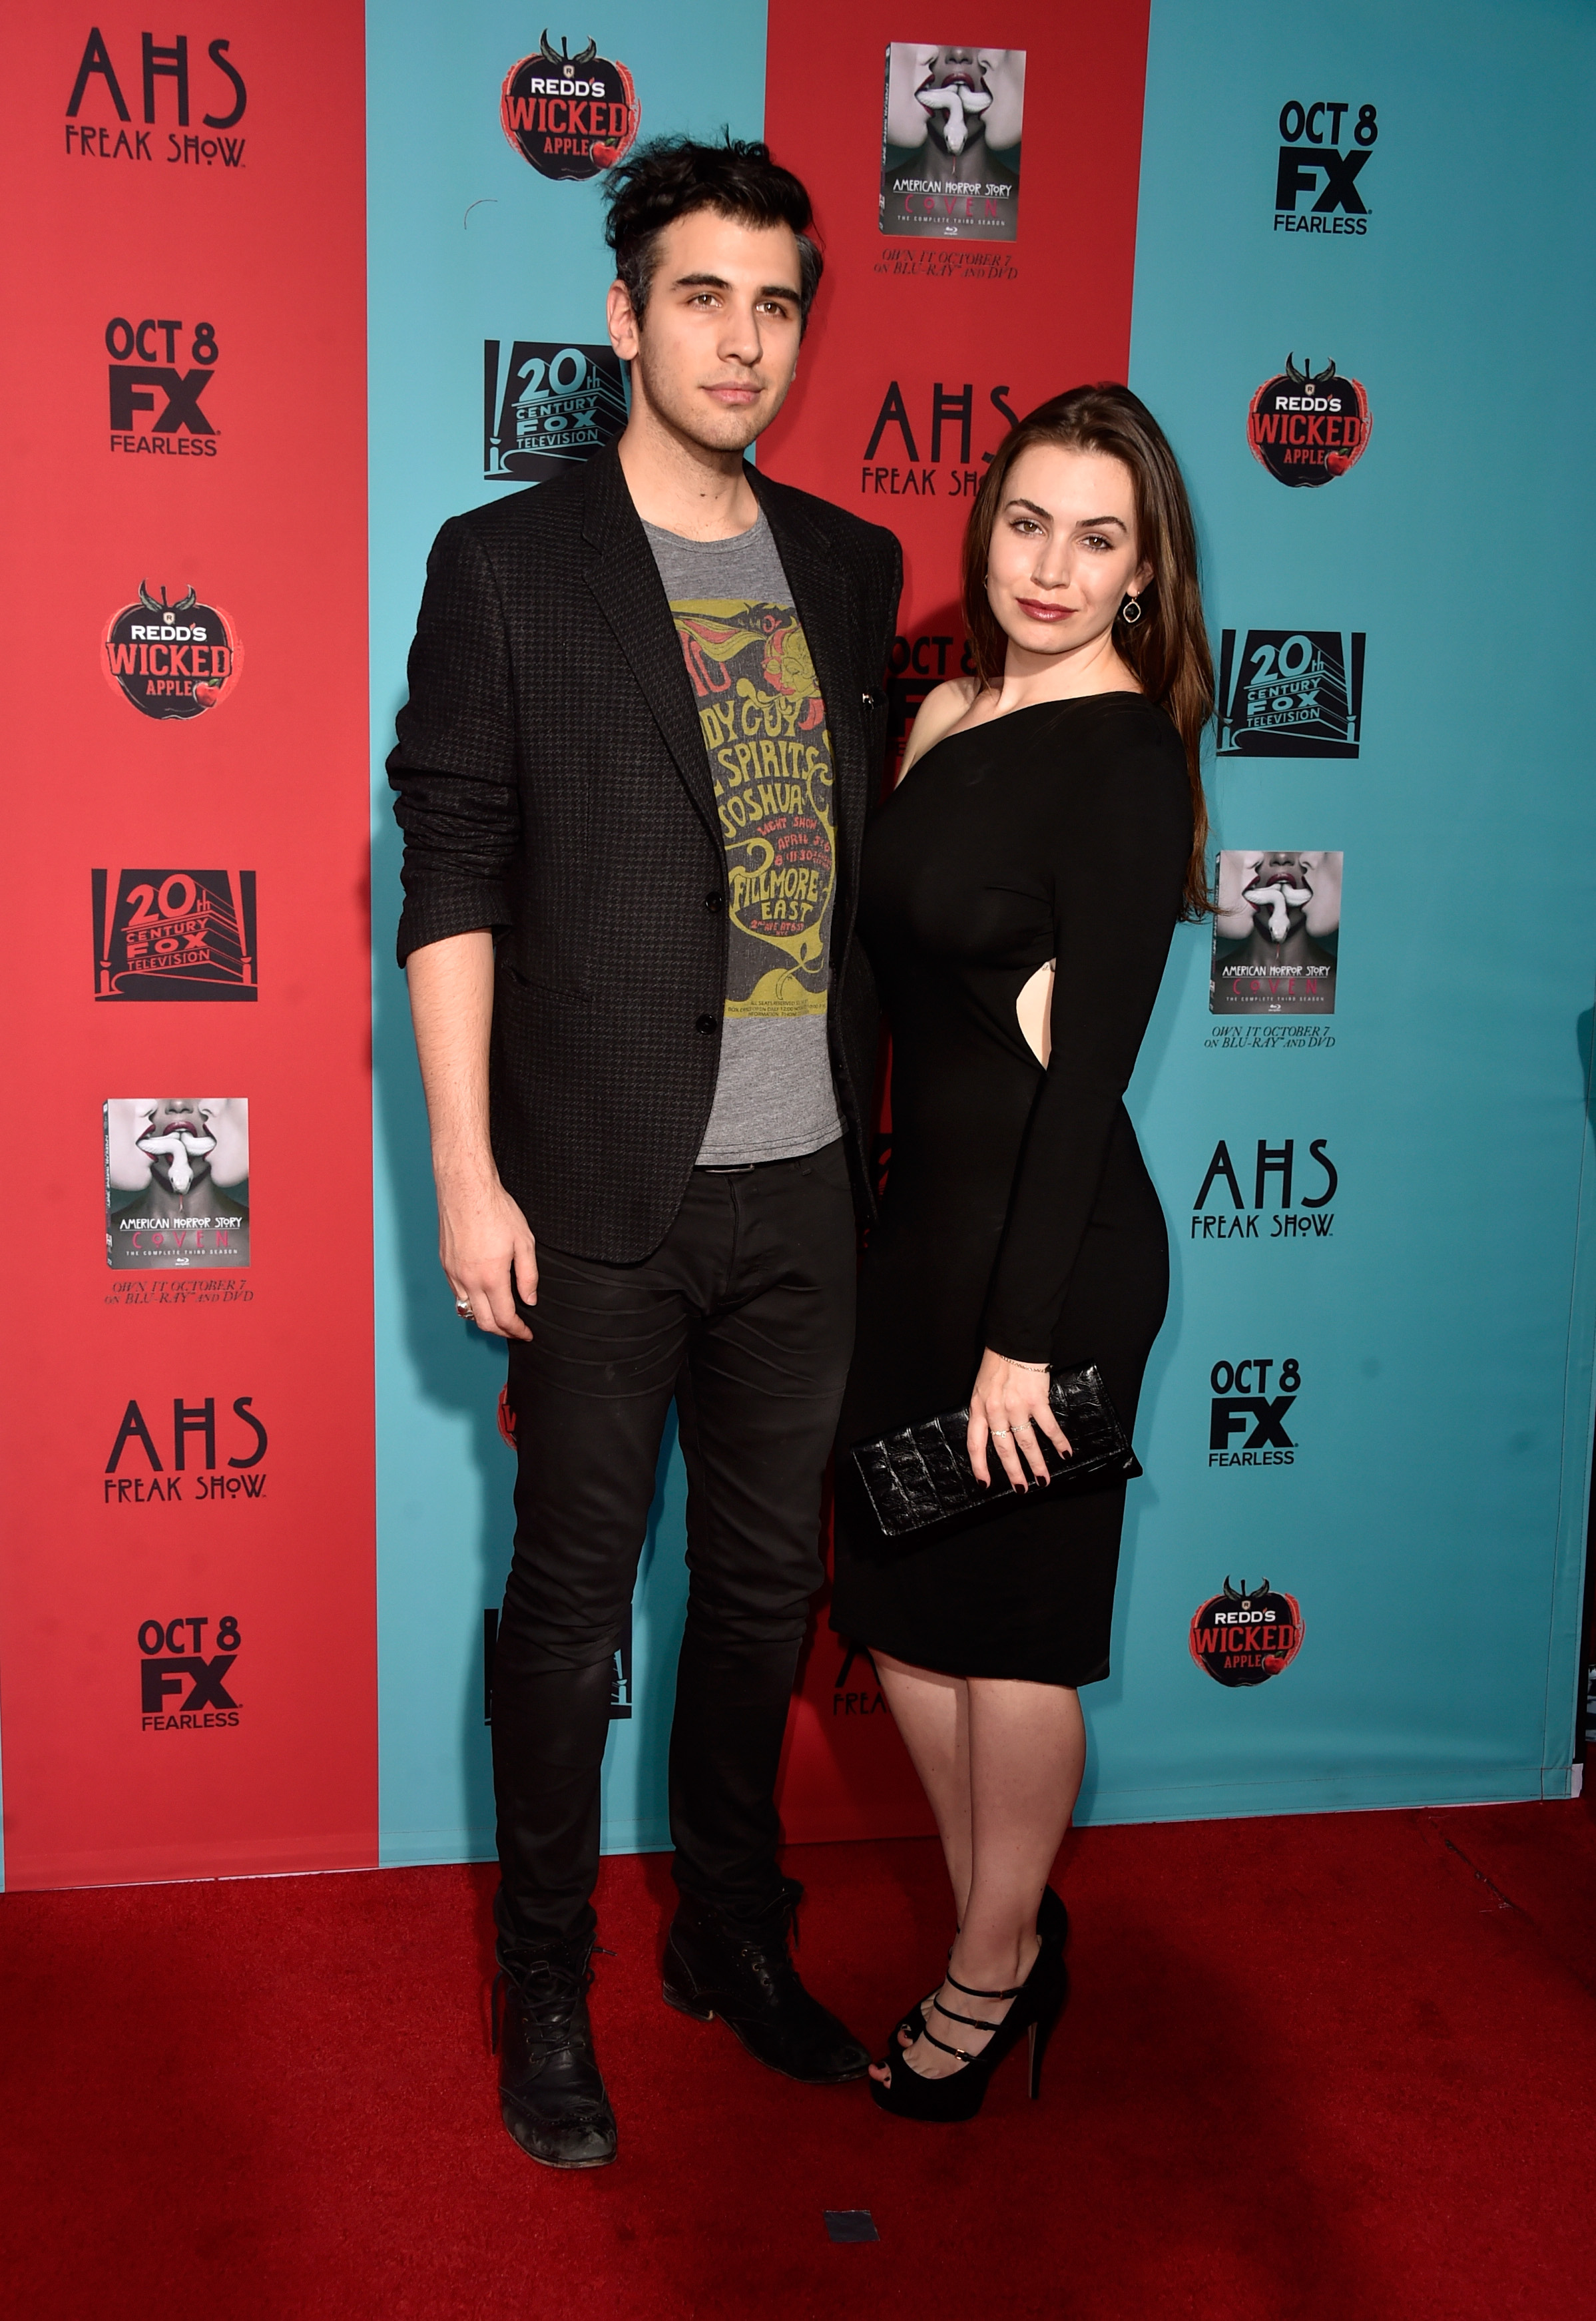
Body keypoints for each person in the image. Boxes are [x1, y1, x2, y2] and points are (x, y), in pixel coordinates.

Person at [388, 137, 902, 2170]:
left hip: (806, 1187)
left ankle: (728, 1929)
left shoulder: (850, 567)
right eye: (702, 298)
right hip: (599, 1194)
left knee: (766, 1595)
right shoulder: (505, 566)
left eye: (775, 306)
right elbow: (451, 876)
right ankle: (544, 1978)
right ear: (624, 318)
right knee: (571, 1603)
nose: (742, 342)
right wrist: (465, 1172)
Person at [830, 385, 1212, 2121]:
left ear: (1145, 573)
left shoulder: (1129, 759)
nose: (1053, 567)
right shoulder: (947, 714)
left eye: (1099, 538)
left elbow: (1087, 1086)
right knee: (907, 1624)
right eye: (1029, 523)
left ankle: (988, 1971)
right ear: (987, 529)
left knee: (1016, 1643)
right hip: (920, 1242)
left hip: (1052, 1264)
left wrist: (1022, 1340)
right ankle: (1011, 1916)